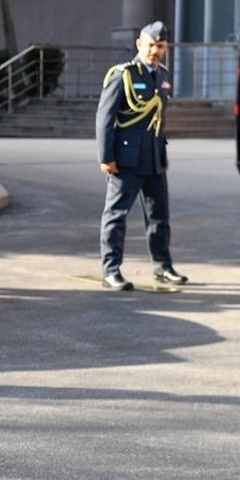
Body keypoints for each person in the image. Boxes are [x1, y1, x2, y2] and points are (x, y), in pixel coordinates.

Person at [95, 20, 188, 290]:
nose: (155, 51)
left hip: (153, 159)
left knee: (159, 216)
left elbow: (159, 119)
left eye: (160, 47)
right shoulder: (123, 74)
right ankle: (111, 270)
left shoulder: (163, 76)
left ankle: (163, 267)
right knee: (116, 215)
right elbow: (105, 118)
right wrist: (105, 157)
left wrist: (162, 155)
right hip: (124, 159)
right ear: (139, 44)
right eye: (150, 45)